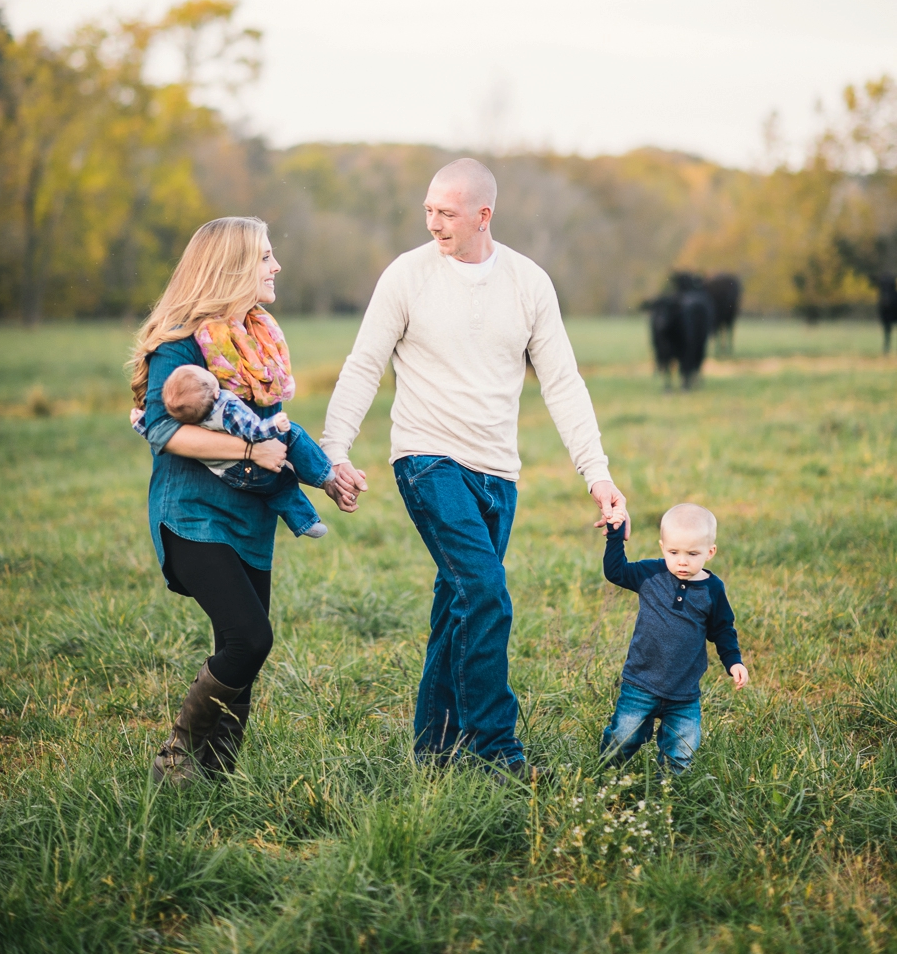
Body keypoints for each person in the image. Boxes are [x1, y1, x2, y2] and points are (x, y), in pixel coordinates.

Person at [321, 157, 627, 778]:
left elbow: (563, 383)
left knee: (457, 602)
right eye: (428, 210)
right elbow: (363, 365)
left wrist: (597, 474)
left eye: (447, 213)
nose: (433, 223)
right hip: (426, 458)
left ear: (483, 215)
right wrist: (335, 451)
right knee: (486, 594)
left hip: (497, 471)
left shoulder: (528, 282)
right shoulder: (407, 276)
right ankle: (496, 750)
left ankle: (433, 752)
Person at [130, 216, 356, 786]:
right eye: (264, 257)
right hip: (193, 515)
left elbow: (276, 426)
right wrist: (249, 451)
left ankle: (218, 779)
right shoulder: (181, 342)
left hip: (251, 520)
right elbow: (163, 429)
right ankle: (176, 761)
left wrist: (325, 476)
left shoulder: (256, 339)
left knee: (243, 653)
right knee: (249, 638)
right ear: (231, 267)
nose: (275, 266)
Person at [601, 502, 748, 775]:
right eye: (673, 552)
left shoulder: (712, 590)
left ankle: (666, 792)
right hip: (640, 683)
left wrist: (734, 661)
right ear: (662, 548)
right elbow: (616, 572)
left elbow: (723, 629)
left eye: (693, 554)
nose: (682, 561)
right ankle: (605, 777)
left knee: (682, 749)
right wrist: (615, 535)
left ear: (710, 552)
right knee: (623, 739)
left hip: (684, 692)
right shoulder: (650, 574)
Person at [130, 363, 329, 538]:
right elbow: (254, 432)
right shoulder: (226, 408)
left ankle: (306, 524)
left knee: (278, 488)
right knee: (294, 434)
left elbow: (153, 431)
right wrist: (275, 425)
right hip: (250, 465)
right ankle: (325, 474)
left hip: (231, 475)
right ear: (216, 392)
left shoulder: (186, 420)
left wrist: (140, 421)